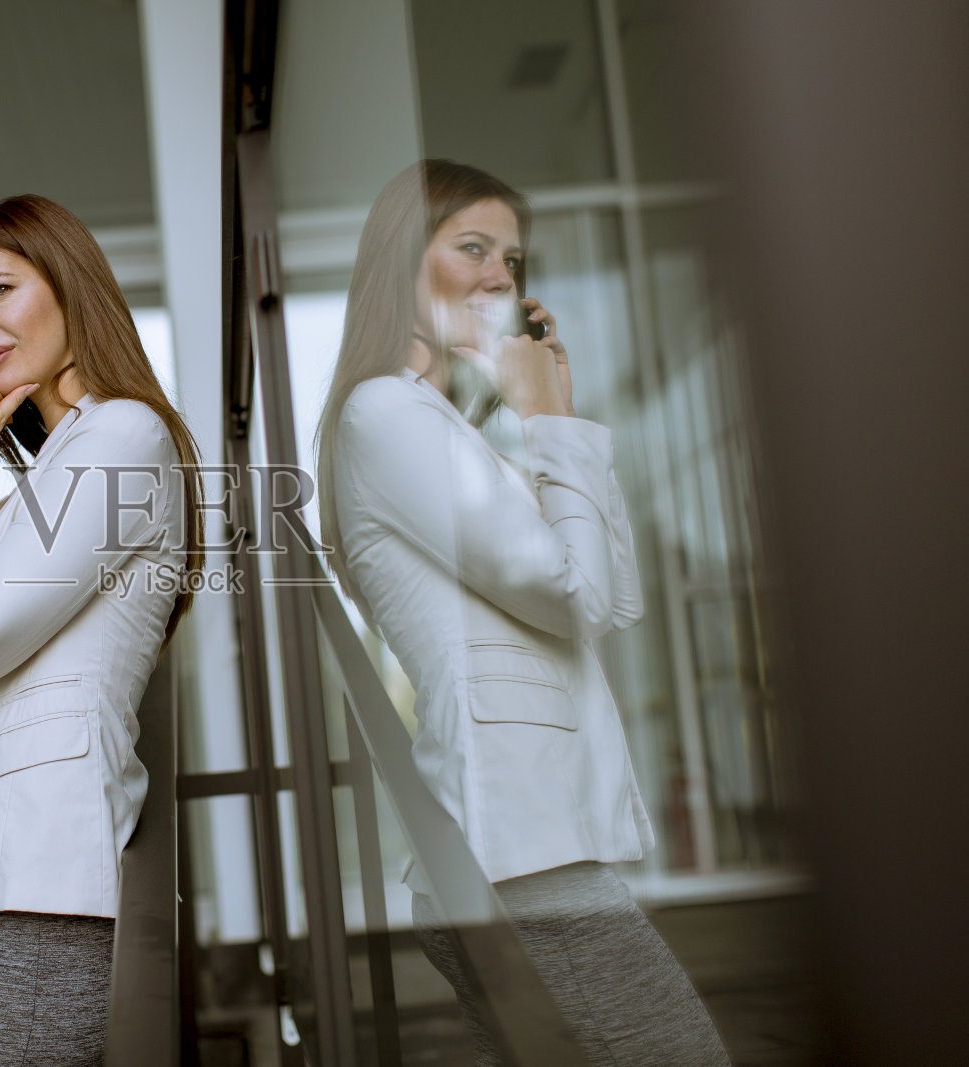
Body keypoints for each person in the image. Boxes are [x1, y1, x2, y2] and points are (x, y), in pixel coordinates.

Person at [316, 160, 731, 1065]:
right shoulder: (387, 412)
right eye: (472, 248)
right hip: (520, 853)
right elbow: (576, 592)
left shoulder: (445, 430)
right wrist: (545, 420)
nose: (502, 274)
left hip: (525, 848)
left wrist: (559, 416)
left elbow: (609, 596)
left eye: (511, 256)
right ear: (400, 263)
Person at [0, 194, 202, 1066]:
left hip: (51, 884)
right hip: (15, 886)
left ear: (69, 288)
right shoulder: (50, 472)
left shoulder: (124, 437)